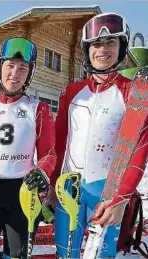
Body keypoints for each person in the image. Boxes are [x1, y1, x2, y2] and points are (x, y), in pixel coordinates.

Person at [54, 13, 148, 258]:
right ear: (87, 49)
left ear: (121, 47)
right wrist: (50, 189)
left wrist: (122, 197)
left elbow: (139, 149)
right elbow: (59, 143)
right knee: (65, 254)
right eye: (96, 44)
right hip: (69, 188)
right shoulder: (71, 93)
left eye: (110, 43)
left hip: (107, 191)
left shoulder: (131, 92)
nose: (103, 50)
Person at [0, 37, 56, 259]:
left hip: (23, 194)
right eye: (10, 66)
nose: (15, 73)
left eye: (22, 68)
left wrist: (42, 171)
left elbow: (49, 153)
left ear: (29, 73)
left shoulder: (39, 109)